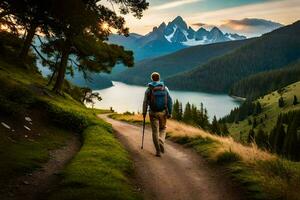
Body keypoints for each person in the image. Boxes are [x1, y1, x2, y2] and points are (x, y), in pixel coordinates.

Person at [143, 72, 172, 157]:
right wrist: (170, 112)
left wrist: (144, 112)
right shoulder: (165, 88)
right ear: (159, 78)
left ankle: (158, 152)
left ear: (152, 79)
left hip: (153, 113)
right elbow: (170, 101)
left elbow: (145, 102)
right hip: (163, 113)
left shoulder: (149, 89)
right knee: (163, 129)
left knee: (155, 131)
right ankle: (161, 141)